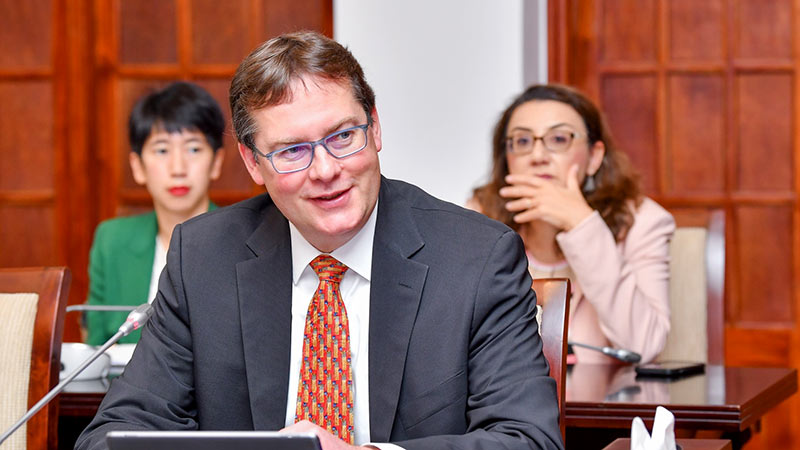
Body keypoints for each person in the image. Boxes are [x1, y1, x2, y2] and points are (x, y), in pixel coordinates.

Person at [75, 31, 562, 450]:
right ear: (251, 163)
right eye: (291, 151)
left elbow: (528, 438)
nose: (326, 170)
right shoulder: (204, 258)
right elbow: (113, 433)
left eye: (343, 136)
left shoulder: (475, 258)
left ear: (375, 127)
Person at [469, 84, 675, 364]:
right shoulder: (478, 220)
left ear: (594, 157)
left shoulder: (643, 221)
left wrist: (582, 224)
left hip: (601, 403)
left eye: (559, 139)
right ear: (507, 159)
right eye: (522, 141)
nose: (538, 156)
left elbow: (644, 344)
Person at [84, 81, 225, 345]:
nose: (178, 168)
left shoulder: (242, 241)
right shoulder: (112, 241)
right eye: (161, 150)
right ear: (137, 166)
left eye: (193, 149)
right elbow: (96, 351)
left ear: (216, 162)